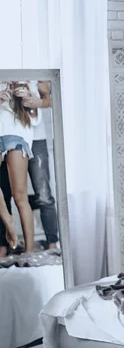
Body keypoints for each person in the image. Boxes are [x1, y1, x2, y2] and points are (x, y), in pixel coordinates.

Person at [0, 81, 58, 255]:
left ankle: (35, 250)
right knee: (9, 193)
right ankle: (7, 226)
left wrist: (34, 102)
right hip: (7, 129)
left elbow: (48, 99)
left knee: (28, 195)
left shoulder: (32, 79)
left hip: (19, 135)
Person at [0, 81, 41, 256]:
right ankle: (7, 219)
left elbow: (35, 118)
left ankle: (29, 252)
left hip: (16, 134)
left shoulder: (28, 81)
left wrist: (29, 100)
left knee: (20, 195)